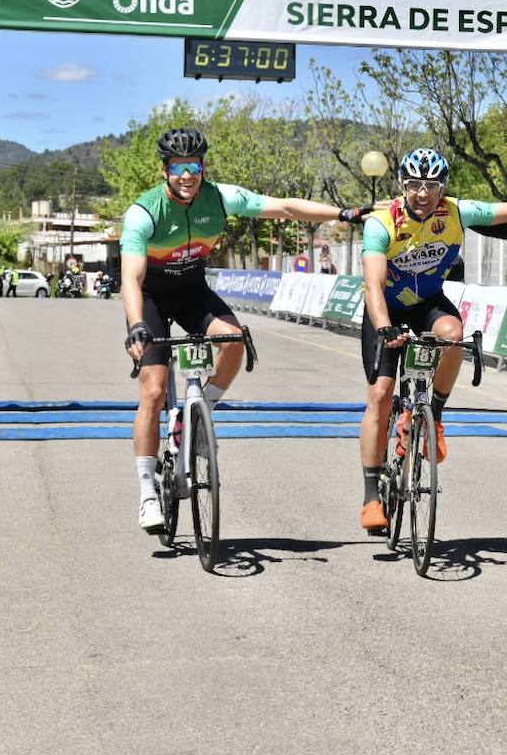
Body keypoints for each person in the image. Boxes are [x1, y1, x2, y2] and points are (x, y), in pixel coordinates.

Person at [122, 127, 372, 532]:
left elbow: (285, 209)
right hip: (149, 299)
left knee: (235, 340)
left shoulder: (220, 197)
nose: (188, 175)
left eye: (195, 166)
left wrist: (341, 214)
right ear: (164, 168)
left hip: (191, 292)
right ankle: (147, 490)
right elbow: (131, 279)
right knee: (152, 389)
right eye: (179, 167)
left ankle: (196, 419)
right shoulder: (143, 212)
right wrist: (136, 325)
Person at [356, 147, 507, 535]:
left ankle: (433, 417)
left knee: (454, 336)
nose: (422, 193)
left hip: (429, 303)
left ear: (442, 187)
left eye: (431, 185)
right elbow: (372, 283)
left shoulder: (456, 211)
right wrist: (385, 328)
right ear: (402, 185)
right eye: (414, 185)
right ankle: (371, 495)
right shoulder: (381, 223)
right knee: (381, 395)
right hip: (386, 308)